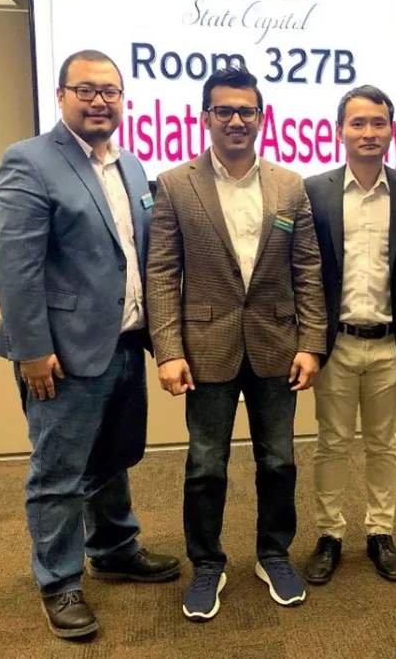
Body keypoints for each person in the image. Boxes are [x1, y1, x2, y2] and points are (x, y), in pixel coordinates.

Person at [0, 50, 180, 641]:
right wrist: (31, 350)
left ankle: (115, 547)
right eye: (87, 90)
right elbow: (15, 267)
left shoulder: (131, 165)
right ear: (61, 96)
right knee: (59, 473)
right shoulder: (29, 160)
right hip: (61, 354)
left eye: (110, 91)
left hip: (123, 342)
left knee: (113, 457)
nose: (100, 101)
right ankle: (59, 581)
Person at [146, 65, 327, 621]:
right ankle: (207, 563)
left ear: (261, 117)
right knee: (206, 465)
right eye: (223, 110)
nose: (235, 120)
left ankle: (273, 554)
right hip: (206, 347)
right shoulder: (175, 184)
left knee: (279, 461)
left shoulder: (289, 184)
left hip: (277, 343)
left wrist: (312, 343)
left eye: (246, 110)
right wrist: (169, 350)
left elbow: (307, 269)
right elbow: (162, 272)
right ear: (205, 117)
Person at [303, 86, 396, 585]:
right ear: (340, 131)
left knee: (383, 442)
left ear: (392, 130)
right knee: (331, 443)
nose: (369, 132)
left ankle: (380, 532)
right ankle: (329, 535)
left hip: (391, 343)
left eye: (378, 122)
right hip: (335, 344)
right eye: (358, 123)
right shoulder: (314, 191)